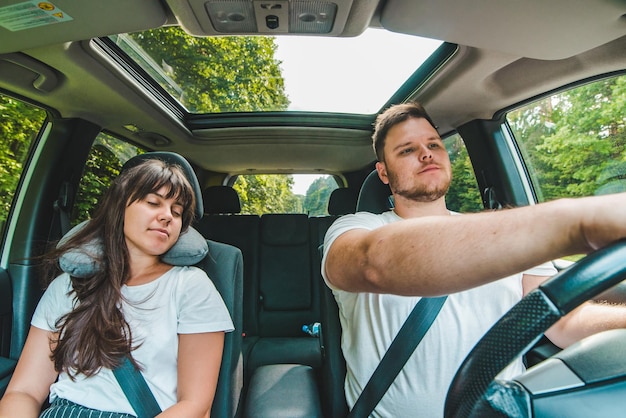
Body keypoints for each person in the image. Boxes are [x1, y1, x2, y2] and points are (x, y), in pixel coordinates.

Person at [321, 101, 626, 417]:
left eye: (434, 144)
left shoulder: (501, 233)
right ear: (383, 172)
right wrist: (576, 222)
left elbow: (562, 321)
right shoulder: (356, 229)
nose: (427, 154)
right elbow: (373, 263)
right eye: (407, 150)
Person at [0, 157, 234, 418]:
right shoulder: (68, 286)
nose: (167, 216)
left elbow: (196, 405)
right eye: (153, 203)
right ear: (119, 208)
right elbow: (24, 392)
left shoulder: (190, 286)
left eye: (176, 212)